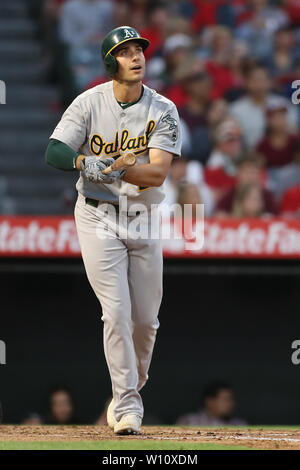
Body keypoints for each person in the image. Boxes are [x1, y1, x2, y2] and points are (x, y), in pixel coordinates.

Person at [45, 26, 182, 435]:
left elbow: (157, 173)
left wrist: (119, 165)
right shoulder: (89, 102)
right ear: (111, 62)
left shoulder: (163, 108)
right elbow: (55, 149)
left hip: (141, 213)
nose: (136, 56)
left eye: (139, 48)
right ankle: (127, 406)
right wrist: (79, 162)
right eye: (125, 51)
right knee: (117, 313)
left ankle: (129, 390)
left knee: (146, 321)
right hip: (97, 213)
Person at [230, 64, 298, 148]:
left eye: (263, 80)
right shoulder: (236, 110)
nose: (260, 84)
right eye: (256, 80)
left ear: (270, 82)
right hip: (250, 157)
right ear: (246, 82)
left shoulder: (284, 104)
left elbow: (294, 132)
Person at [176, 382, 247, 426]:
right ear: (209, 401)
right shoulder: (189, 421)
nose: (231, 404)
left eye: (231, 399)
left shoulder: (239, 424)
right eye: (226, 400)